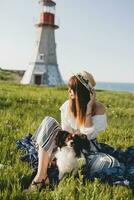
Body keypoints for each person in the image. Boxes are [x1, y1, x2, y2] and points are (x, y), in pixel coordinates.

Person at [29, 71, 107, 190]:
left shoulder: (99, 109)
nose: (69, 91)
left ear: (82, 92)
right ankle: (41, 177)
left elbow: (87, 135)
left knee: (105, 164)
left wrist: (89, 109)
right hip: (68, 145)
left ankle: (55, 161)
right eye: (69, 88)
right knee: (48, 121)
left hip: (87, 147)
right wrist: (59, 151)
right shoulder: (67, 106)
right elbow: (66, 134)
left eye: (72, 89)